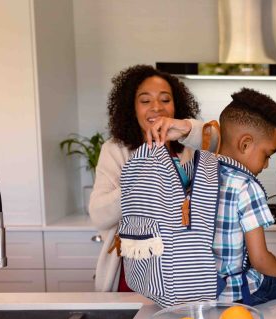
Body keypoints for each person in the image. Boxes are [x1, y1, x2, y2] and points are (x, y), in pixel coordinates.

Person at [90, 64, 217, 292]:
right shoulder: (115, 150)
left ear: (177, 105)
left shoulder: (189, 147)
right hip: (134, 267)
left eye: (165, 100)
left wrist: (186, 128)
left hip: (186, 267)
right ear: (132, 107)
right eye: (145, 100)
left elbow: (219, 141)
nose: (156, 108)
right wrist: (138, 180)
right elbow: (99, 215)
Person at [215, 88, 276, 305]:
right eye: (267, 155)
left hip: (206, 292)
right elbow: (260, 260)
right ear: (245, 144)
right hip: (240, 293)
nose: (266, 164)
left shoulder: (201, 174)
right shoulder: (246, 186)